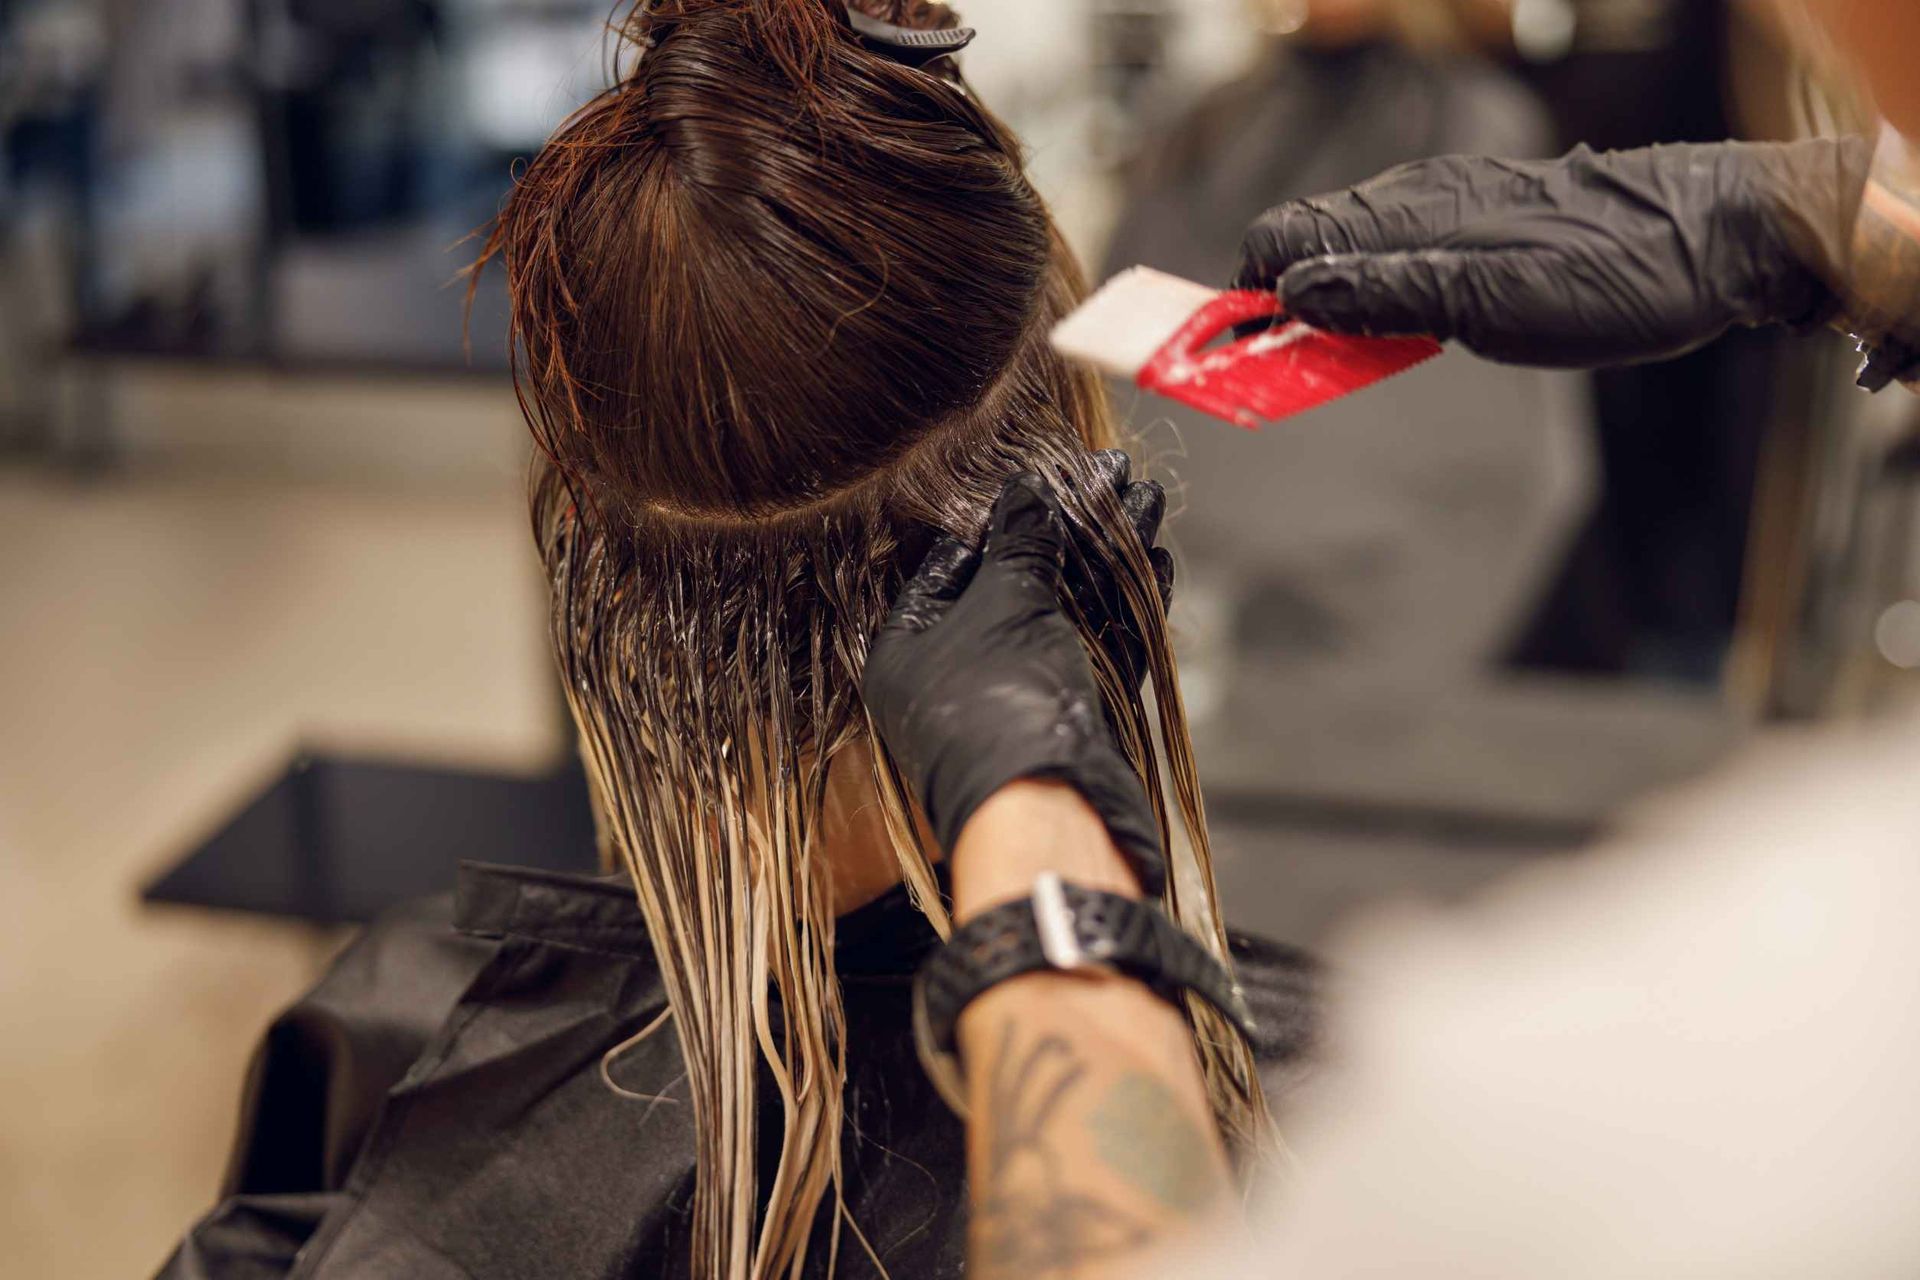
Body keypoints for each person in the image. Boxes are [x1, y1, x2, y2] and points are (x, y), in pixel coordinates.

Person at [157, 3, 1316, 1278]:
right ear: (1077, 491)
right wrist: (1037, 807)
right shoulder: (1367, 1125)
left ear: (596, 582)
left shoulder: (391, 1056)